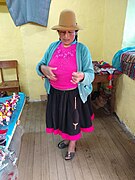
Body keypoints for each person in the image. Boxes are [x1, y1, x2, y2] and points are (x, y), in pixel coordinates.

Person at [36, 9, 95, 160]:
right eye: (62, 32)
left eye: (70, 32)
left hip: (73, 94)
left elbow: (91, 74)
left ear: (75, 31)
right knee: (62, 119)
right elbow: (40, 65)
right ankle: (67, 138)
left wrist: (82, 76)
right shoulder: (52, 47)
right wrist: (44, 69)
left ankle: (72, 145)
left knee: (73, 121)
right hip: (55, 93)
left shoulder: (82, 49)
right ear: (58, 33)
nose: (66, 36)